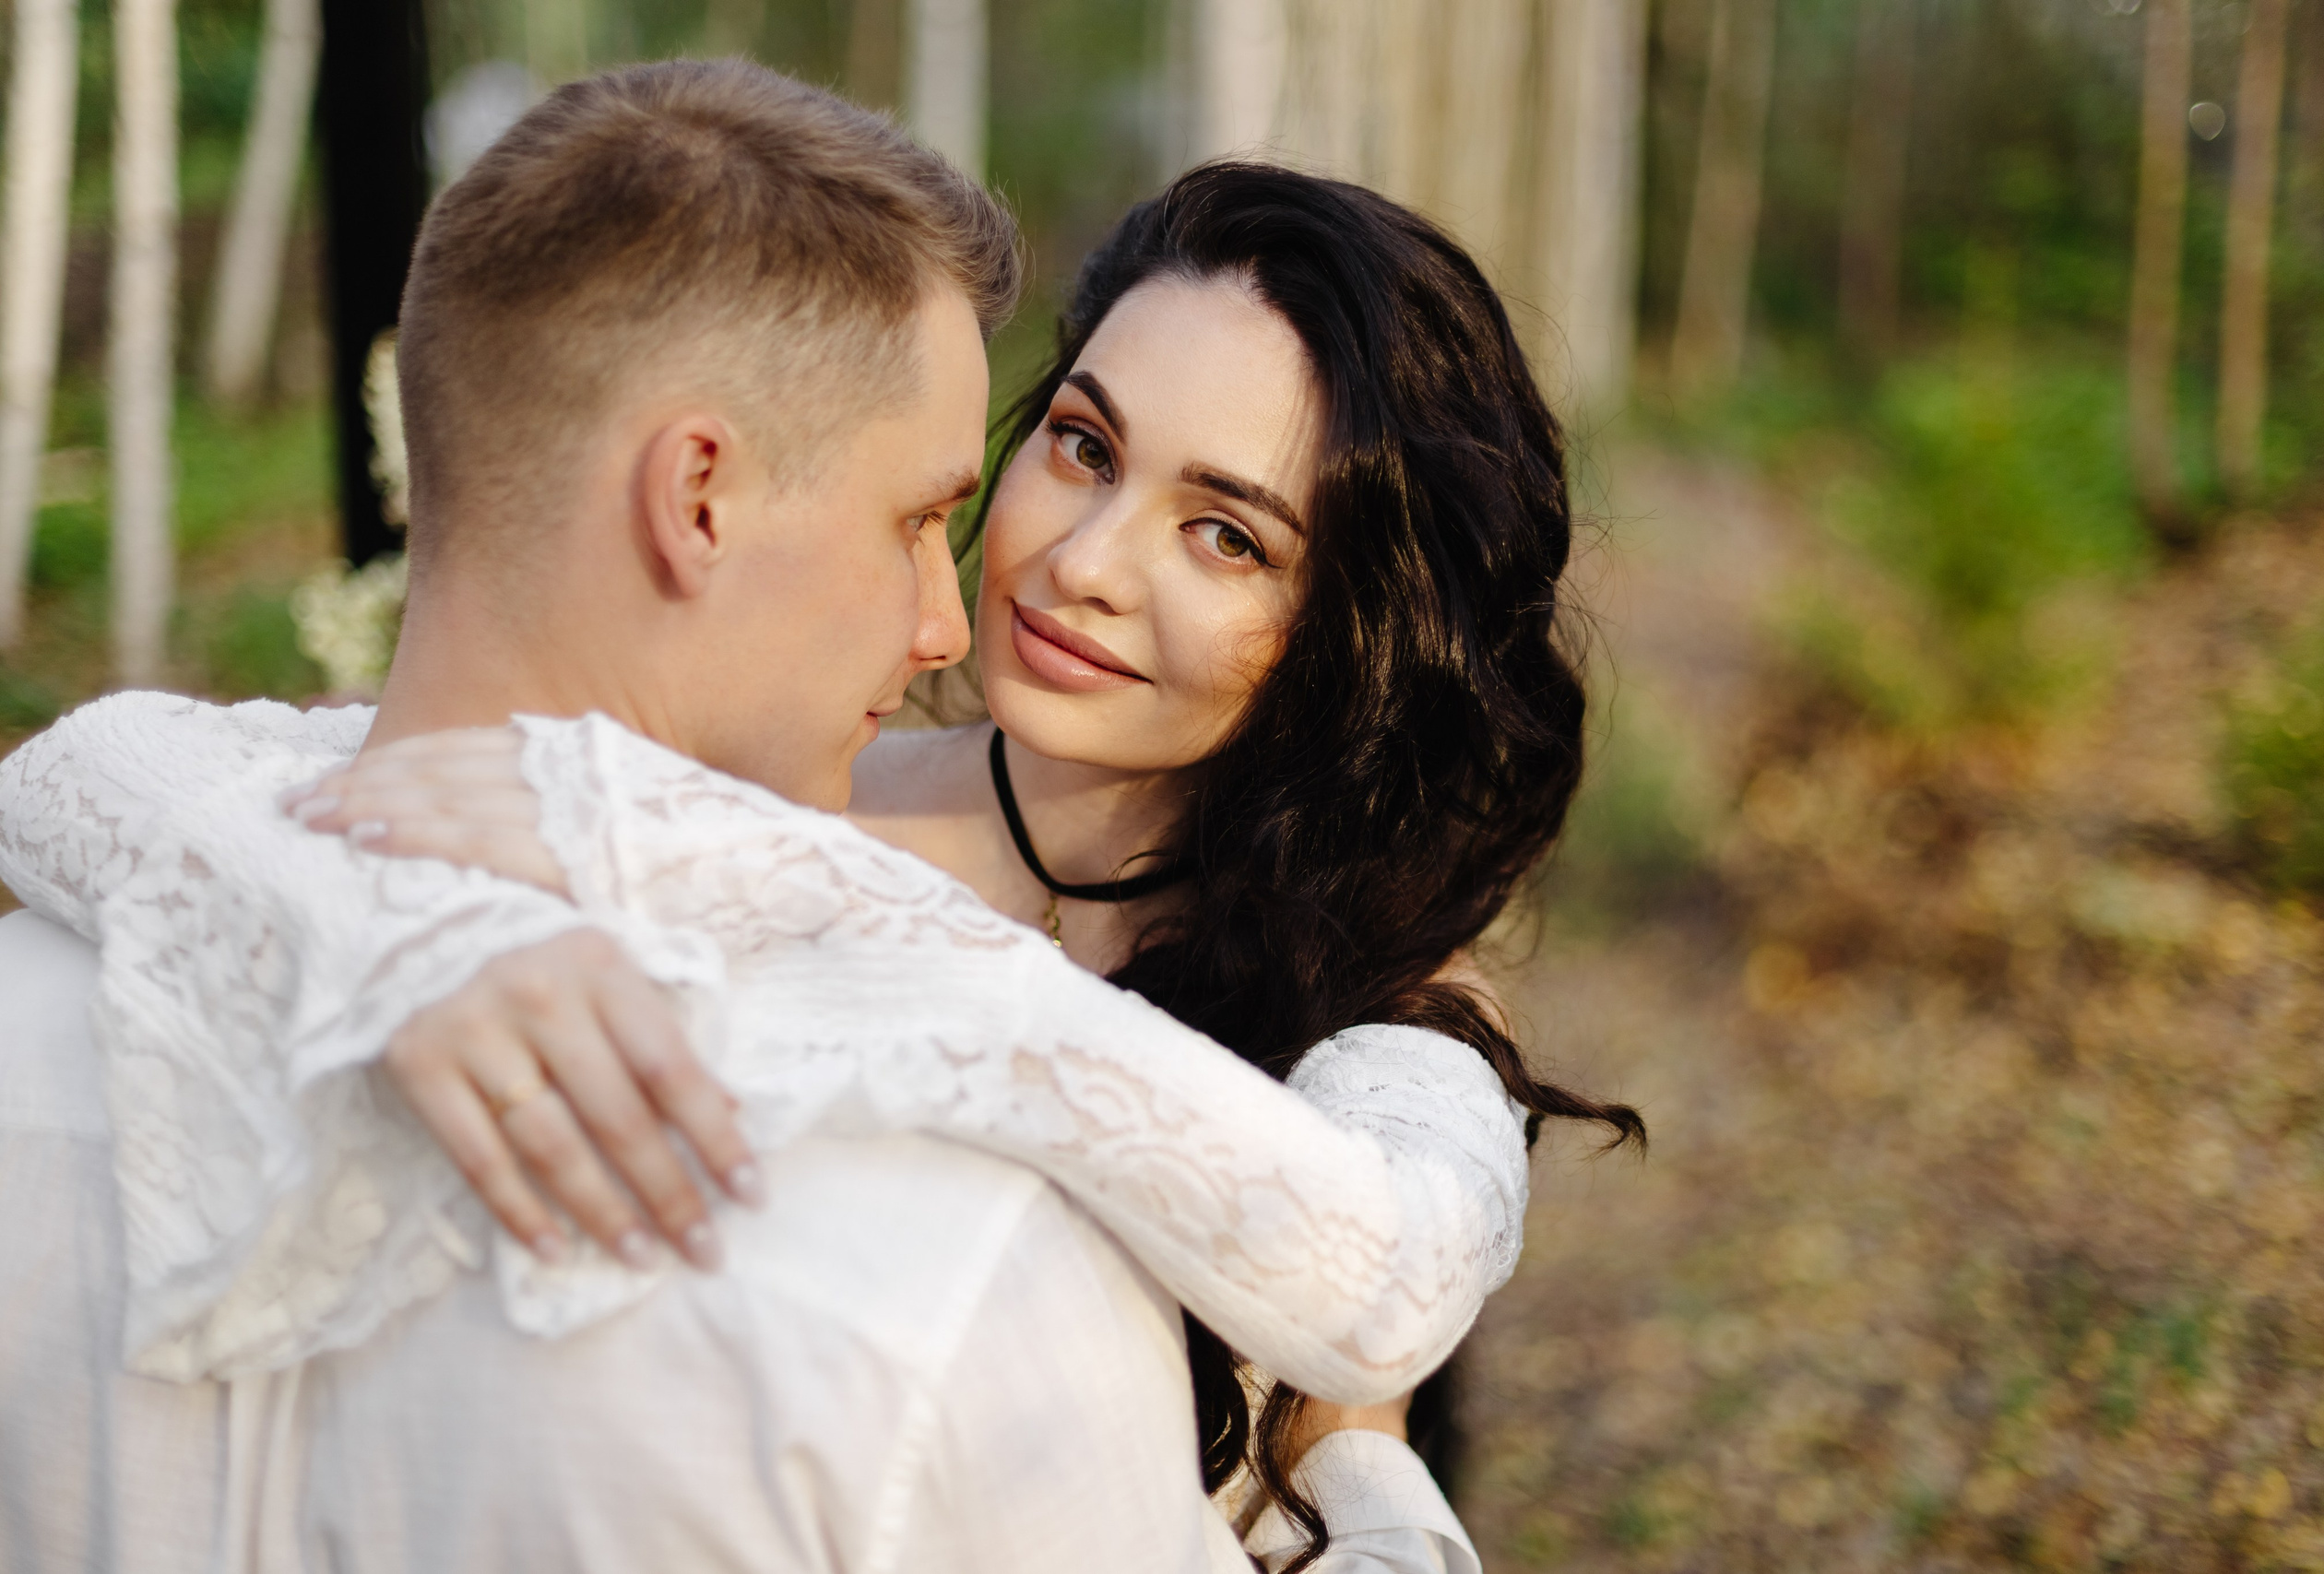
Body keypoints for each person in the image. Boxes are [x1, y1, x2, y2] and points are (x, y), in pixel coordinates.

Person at [0, 64, 1605, 1574]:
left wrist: (1355, 1456)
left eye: (1227, 536)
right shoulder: (736, 792)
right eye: (1081, 446)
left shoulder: (1381, 1026)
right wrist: (348, 921)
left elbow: (1384, 1269)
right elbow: (200, 773)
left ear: (1358, 628)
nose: (1082, 563)